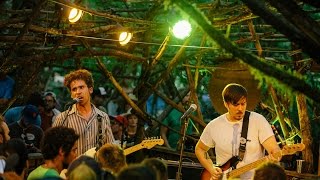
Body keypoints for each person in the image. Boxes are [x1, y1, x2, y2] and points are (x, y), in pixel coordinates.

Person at [195, 83, 281, 180]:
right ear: (226, 104)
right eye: (235, 104)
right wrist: (211, 169)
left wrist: (275, 155)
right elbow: (200, 149)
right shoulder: (214, 125)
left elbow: (274, 149)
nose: (240, 108)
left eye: (243, 104)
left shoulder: (258, 121)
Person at [53, 69, 114, 155]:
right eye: (74, 89)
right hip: (72, 167)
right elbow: (53, 148)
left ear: (90, 90)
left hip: (95, 167)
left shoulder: (103, 117)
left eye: (81, 87)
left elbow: (110, 147)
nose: (78, 92)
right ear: (71, 94)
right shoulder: (62, 117)